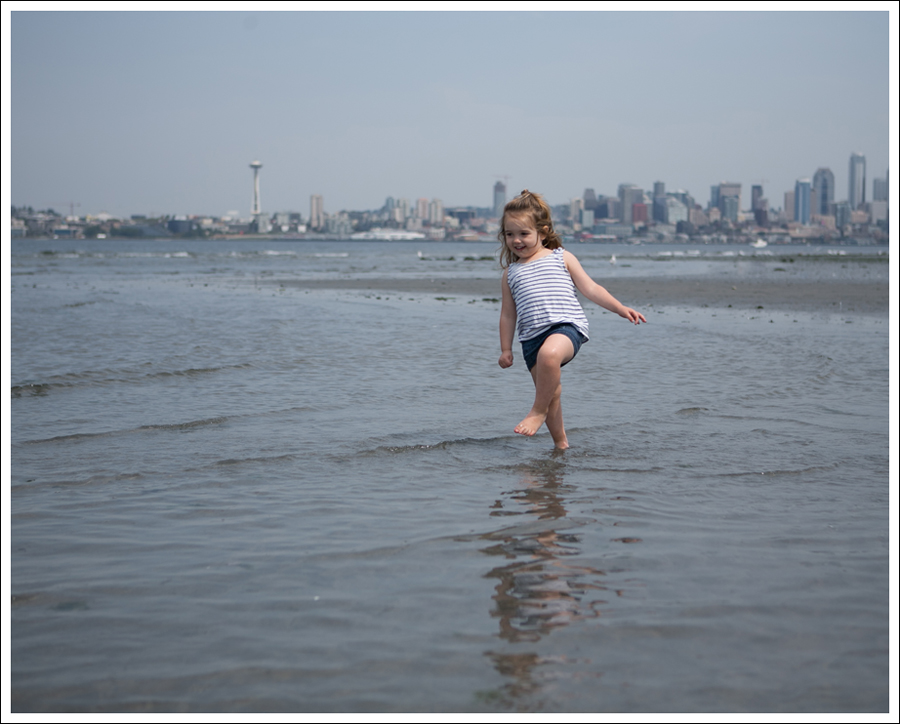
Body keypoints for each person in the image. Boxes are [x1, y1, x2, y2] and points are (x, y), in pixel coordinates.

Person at [498, 190, 646, 449]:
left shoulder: (560, 257)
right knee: (551, 394)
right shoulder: (511, 273)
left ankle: (536, 412)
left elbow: (591, 289)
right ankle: (561, 444)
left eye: (524, 234)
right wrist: (506, 349)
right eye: (510, 234)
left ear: (542, 233)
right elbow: (508, 314)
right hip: (531, 340)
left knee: (550, 356)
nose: (516, 240)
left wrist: (620, 308)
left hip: (566, 327)